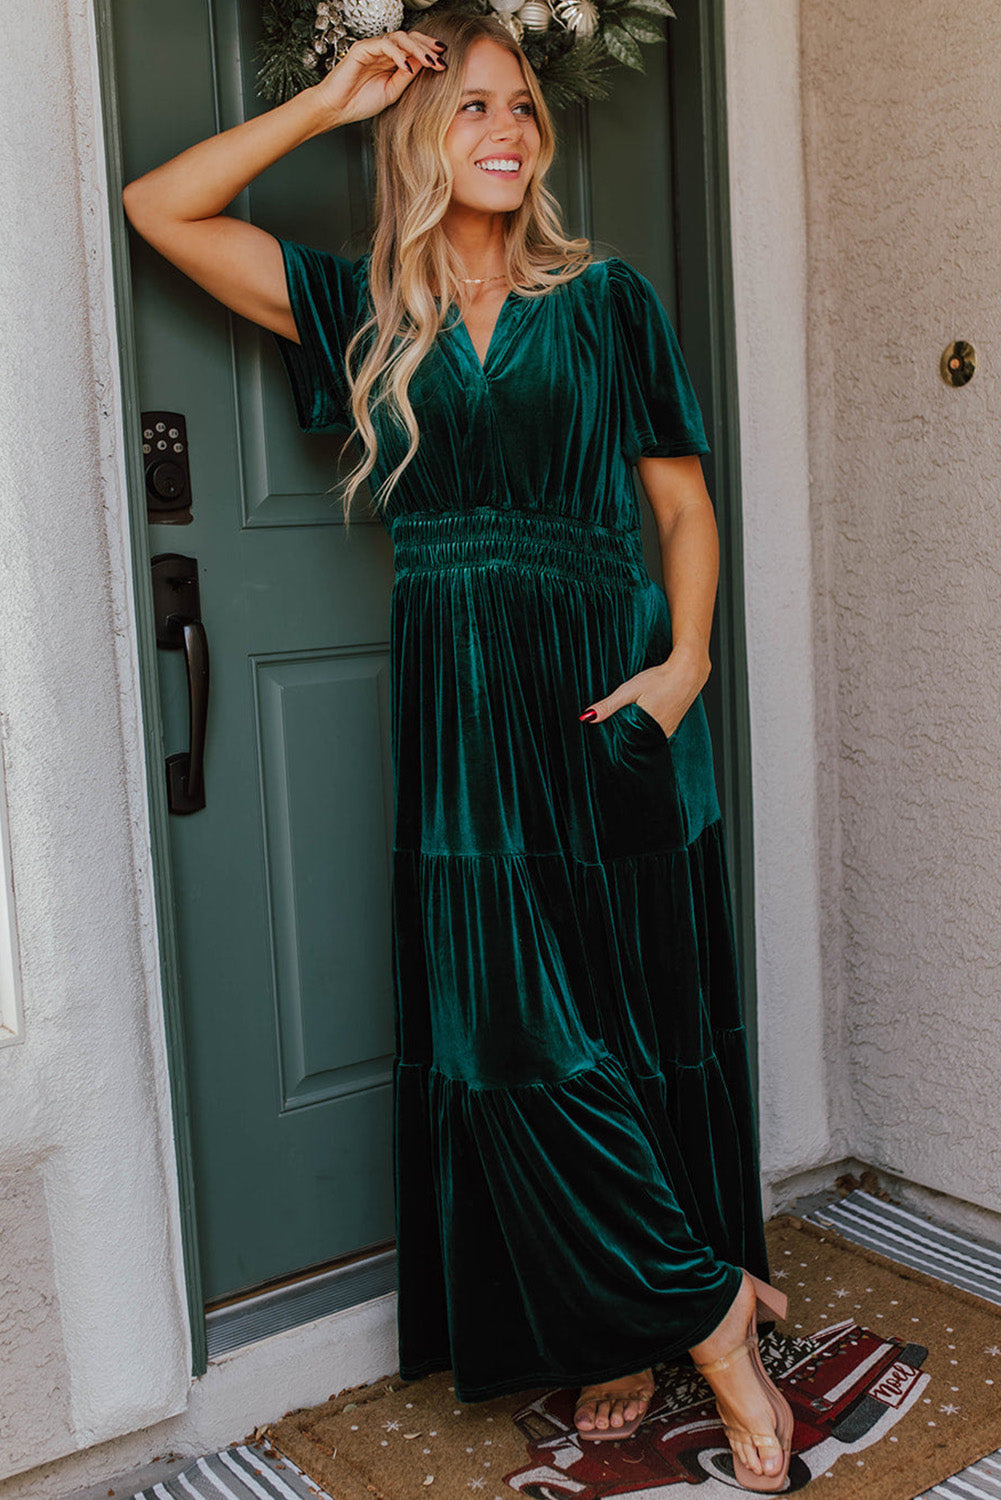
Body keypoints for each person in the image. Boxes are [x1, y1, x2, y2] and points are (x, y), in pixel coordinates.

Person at [122, 11, 794, 1488]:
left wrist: (682, 668)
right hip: (460, 709)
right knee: (511, 1035)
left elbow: (680, 507)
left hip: (613, 695)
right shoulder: (360, 306)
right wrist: (331, 101)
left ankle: (625, 1323)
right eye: (473, 105)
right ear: (419, 134)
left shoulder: (606, 300)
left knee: (626, 1008)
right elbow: (156, 207)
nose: (505, 129)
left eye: (524, 111)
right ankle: (706, 1316)